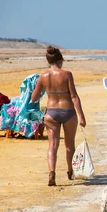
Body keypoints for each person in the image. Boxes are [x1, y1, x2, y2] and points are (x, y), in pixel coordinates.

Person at [31, 46, 86, 186]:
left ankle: (52, 174)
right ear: (60, 59)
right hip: (68, 112)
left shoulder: (43, 76)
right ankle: (70, 172)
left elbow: (34, 98)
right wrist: (81, 116)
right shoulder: (67, 74)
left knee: (52, 146)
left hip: (51, 113)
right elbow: (74, 96)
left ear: (48, 61)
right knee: (69, 145)